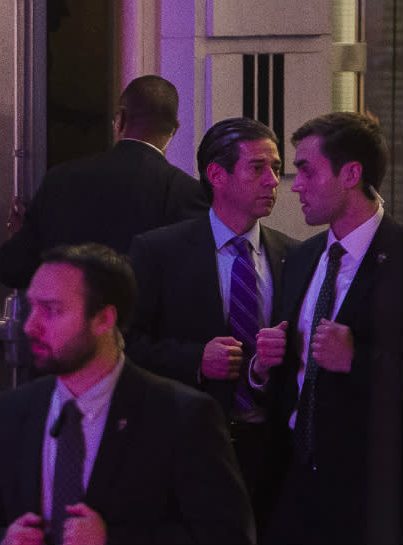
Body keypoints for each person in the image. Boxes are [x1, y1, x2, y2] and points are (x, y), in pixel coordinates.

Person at [0, 243, 254, 544]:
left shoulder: (180, 417)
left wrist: (113, 541)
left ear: (104, 319)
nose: (30, 326)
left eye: (51, 310)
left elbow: (229, 537)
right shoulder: (12, 411)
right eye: (32, 307)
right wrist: (3, 540)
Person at [126, 117, 297, 532]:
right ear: (216, 175)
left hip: (271, 455)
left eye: (276, 167)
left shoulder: (294, 256)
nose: (273, 180)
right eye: (258, 168)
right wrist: (196, 360)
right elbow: (125, 345)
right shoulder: (158, 251)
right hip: (186, 452)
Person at [253, 112, 401, 544]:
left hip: (372, 496)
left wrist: (356, 359)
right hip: (293, 487)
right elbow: (289, 380)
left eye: (307, 171)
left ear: (351, 173)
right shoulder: (302, 257)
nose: (294, 185)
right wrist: (263, 366)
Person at [0, 75, 208, 290]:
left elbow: (13, 270)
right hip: (143, 324)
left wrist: (19, 238)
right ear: (174, 129)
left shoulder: (60, 179)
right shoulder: (186, 193)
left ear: (121, 119)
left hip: (72, 323)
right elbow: (196, 283)